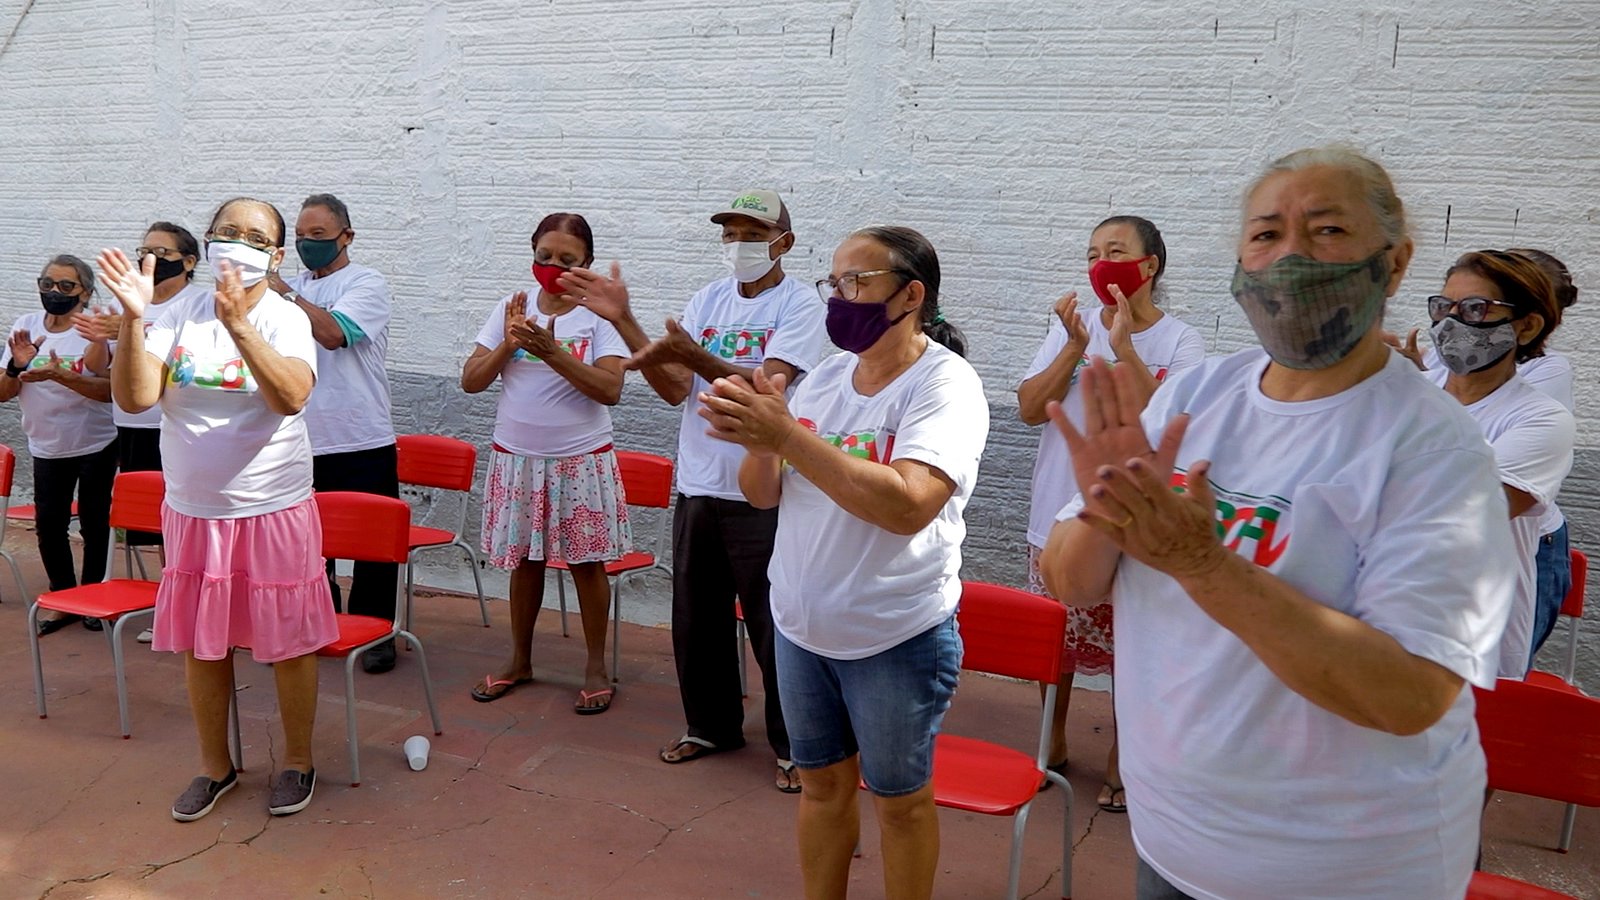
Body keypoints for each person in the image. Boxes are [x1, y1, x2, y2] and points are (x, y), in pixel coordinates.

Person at [1040, 147, 1517, 898]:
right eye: (1266, 235)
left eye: (1326, 231)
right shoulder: (1194, 396)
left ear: (1393, 265)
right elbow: (1071, 583)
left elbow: (1409, 694)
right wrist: (1108, 509)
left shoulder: (1435, 447)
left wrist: (1204, 564)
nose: (1291, 257)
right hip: (1173, 842)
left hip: (1343, 869)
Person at [701, 225, 986, 899]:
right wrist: (763, 440)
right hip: (801, 630)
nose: (839, 298)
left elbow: (910, 503)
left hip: (893, 636)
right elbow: (761, 492)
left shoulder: (945, 385)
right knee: (822, 787)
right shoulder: (825, 379)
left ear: (911, 294)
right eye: (835, 282)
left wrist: (788, 440)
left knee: (899, 802)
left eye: (858, 282)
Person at [560, 189, 826, 792]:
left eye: (751, 234)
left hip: (763, 489)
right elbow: (672, 385)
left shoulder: (801, 305)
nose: (739, 246)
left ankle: (794, 744)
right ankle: (710, 725)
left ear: (783, 241)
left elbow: (766, 389)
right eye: (730, 234)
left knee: (772, 620)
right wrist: (624, 322)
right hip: (700, 483)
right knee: (697, 618)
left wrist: (696, 356)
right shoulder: (708, 297)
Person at [98, 196, 333, 822]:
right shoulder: (178, 312)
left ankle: (299, 761)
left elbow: (290, 397)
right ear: (208, 243)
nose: (238, 242)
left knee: (287, 644)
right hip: (195, 511)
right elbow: (138, 396)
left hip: (272, 507)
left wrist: (240, 326)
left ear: (275, 255)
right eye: (227, 231)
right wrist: (131, 319)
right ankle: (215, 767)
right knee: (205, 646)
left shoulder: (287, 318)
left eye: (254, 236)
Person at [1015, 215, 1204, 813]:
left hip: (1131, 527)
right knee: (1055, 648)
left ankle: (1126, 763)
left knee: (1132, 653)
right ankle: (1053, 743)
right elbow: (1028, 408)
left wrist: (1124, 349)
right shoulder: (1072, 327)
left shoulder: (1180, 341)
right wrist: (1075, 345)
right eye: (1093, 252)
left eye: (1116, 252)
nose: (1101, 264)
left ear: (1149, 267)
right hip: (1058, 514)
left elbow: (1173, 425)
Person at [460, 212, 631, 714]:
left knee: (585, 563)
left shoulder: (600, 316)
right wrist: (510, 344)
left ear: (588, 264)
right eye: (544, 256)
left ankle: (596, 666)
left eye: (567, 260)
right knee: (525, 561)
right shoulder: (511, 308)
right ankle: (519, 660)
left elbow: (611, 389)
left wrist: (553, 352)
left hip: (579, 460)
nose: (553, 267)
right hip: (517, 458)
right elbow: (471, 380)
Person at [1388, 247, 1580, 659]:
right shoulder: (1408, 391)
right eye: (1443, 307)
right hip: (1386, 619)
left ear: (1526, 326)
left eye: (1476, 309)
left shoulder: (1541, 419)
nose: (1451, 322)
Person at [267, 193, 400, 674]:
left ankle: (376, 631)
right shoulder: (290, 286)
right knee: (302, 542)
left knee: (371, 544)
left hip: (359, 435)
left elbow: (334, 333)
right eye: (300, 236)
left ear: (347, 236)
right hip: (299, 436)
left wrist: (282, 293)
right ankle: (316, 619)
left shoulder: (366, 283)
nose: (307, 245)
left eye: (318, 236)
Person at [78, 223, 205, 642]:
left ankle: (191, 610)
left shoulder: (196, 304)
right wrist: (101, 336)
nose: (149, 259)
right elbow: (101, 366)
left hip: (173, 427)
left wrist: (133, 328)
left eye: (161, 252)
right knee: (151, 527)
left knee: (181, 524)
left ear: (188, 262)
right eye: (145, 250)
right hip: (130, 424)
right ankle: (166, 603)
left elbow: (184, 358)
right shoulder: (134, 299)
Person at [1, 254, 117, 634]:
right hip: (46, 444)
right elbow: (4, 392)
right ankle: (64, 596)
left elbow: (107, 390)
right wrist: (17, 366)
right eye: (47, 284)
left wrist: (60, 373)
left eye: (66, 286)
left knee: (95, 522)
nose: (55, 292)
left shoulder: (93, 327)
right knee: (48, 524)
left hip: (96, 441)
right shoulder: (26, 326)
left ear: (84, 292)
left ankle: (94, 596)